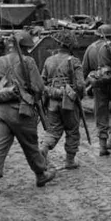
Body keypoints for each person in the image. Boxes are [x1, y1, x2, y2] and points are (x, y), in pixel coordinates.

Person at [0, 31, 56, 200]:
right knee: (31, 146)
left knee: (0, 147)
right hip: (22, 112)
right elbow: (39, 87)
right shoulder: (28, 62)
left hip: (1, 113)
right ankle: (41, 175)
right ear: (25, 47)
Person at [40, 31, 85, 169]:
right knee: (72, 130)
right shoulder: (74, 61)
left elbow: (41, 83)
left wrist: (51, 92)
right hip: (70, 103)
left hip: (52, 103)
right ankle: (70, 161)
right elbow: (80, 85)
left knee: (53, 130)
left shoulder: (49, 60)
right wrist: (78, 96)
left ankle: (44, 148)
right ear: (70, 45)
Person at [82, 24, 111, 156]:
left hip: (97, 85)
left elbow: (84, 69)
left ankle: (102, 147)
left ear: (97, 34)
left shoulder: (90, 48)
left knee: (101, 114)